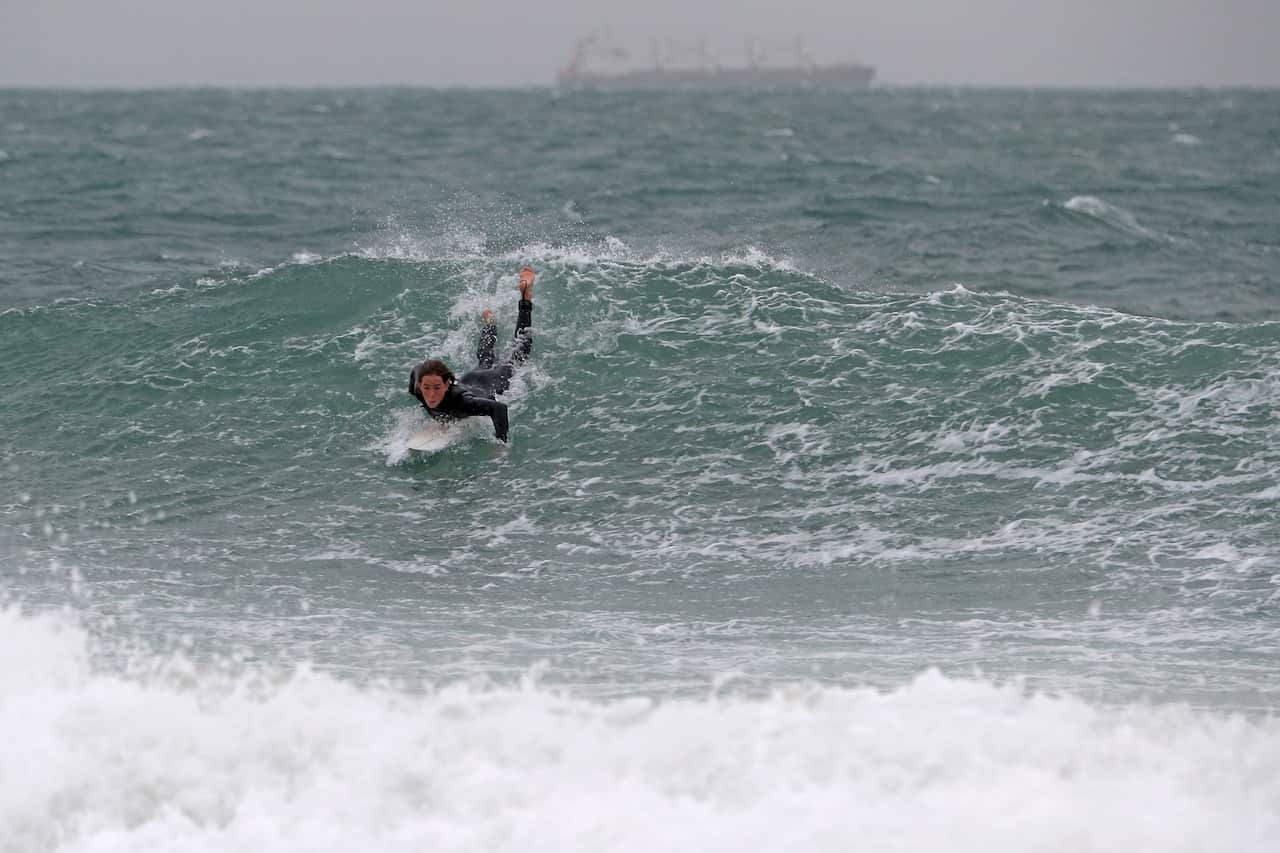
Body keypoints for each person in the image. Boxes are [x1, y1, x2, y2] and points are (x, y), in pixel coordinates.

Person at [408, 267, 535, 443]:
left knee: (519, 352)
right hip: (473, 377)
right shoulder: (418, 389)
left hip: (495, 380)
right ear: (420, 385)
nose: (430, 395)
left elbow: (499, 409)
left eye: (437, 388)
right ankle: (490, 322)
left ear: (447, 385)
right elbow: (416, 370)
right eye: (426, 388)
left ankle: (525, 298)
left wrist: (501, 444)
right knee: (485, 356)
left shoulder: (462, 402)